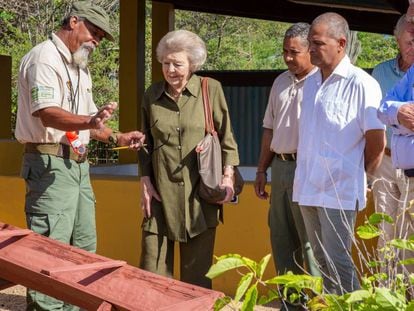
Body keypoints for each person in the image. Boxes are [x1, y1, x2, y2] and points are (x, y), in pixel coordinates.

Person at [14, 2, 145, 310]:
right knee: (51, 253)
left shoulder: (78, 66)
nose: (96, 41)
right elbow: (47, 114)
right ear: (74, 22)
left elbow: (89, 121)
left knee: (83, 252)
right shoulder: (43, 58)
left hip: (77, 166)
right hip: (49, 166)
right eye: (94, 32)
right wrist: (89, 122)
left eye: (100, 37)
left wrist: (116, 136)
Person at [138, 29, 240, 289]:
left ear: (192, 64)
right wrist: (145, 181)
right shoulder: (151, 95)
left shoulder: (210, 89)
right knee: (152, 273)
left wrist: (228, 177)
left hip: (199, 196)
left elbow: (226, 137)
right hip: (161, 195)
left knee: (196, 278)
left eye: (177, 64)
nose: (170, 69)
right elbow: (145, 144)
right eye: (165, 63)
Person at [293, 12, 385, 294]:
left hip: (339, 190)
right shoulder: (310, 82)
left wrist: (361, 177)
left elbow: (376, 141)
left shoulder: (362, 84)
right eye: (310, 42)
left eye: (317, 43)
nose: (311, 49)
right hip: (308, 185)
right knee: (320, 260)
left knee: (338, 261)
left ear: (341, 43)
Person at [254, 23, 318, 279]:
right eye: (284, 51)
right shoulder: (280, 81)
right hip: (280, 167)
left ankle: (319, 304)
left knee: (310, 241)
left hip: (307, 167)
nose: (288, 57)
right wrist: (261, 169)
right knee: (281, 237)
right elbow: (269, 129)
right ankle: (290, 303)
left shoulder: (322, 81)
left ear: (311, 50)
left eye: (294, 52)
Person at [371, 14, 414, 267]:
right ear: (397, 39)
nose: (412, 48)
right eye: (408, 42)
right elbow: (373, 115)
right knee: (385, 229)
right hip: (385, 162)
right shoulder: (380, 72)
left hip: (412, 165)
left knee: (409, 232)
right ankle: (386, 293)